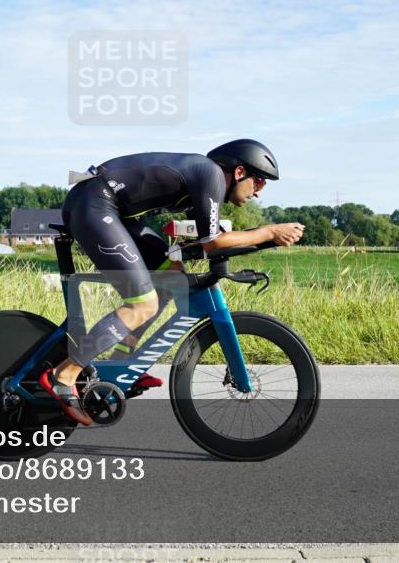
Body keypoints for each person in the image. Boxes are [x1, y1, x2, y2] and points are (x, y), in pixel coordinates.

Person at [40, 139, 306, 425]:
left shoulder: (205, 180)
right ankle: (63, 376)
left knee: (172, 276)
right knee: (142, 304)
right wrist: (268, 232)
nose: (258, 193)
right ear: (239, 172)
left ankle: (119, 364)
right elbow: (215, 241)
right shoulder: (211, 174)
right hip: (93, 205)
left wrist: (257, 238)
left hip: (110, 209)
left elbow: (208, 241)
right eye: (260, 182)